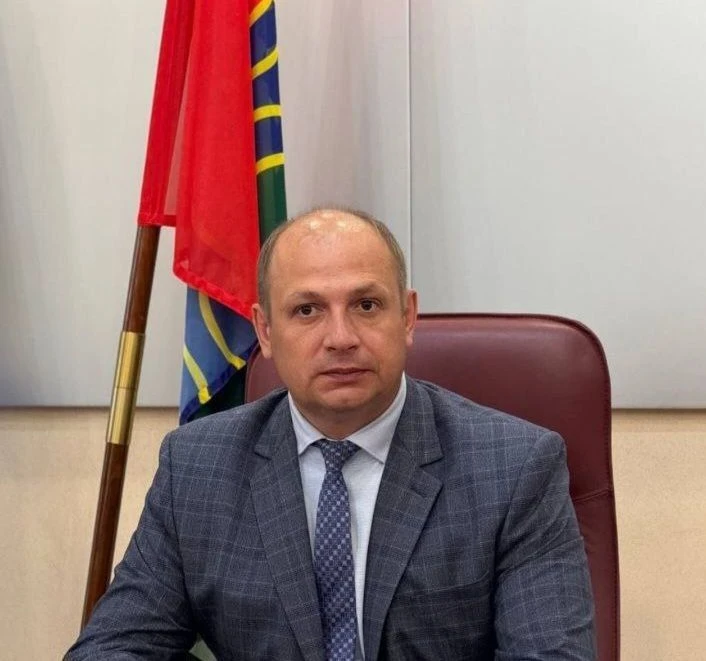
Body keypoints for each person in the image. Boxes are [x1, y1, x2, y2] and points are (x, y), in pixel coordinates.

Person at [67, 208, 596, 660]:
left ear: (407, 317)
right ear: (265, 331)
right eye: (307, 310)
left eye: (366, 305)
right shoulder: (197, 467)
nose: (340, 338)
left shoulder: (515, 468)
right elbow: (113, 648)